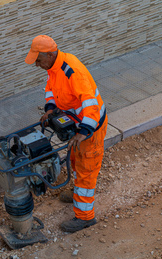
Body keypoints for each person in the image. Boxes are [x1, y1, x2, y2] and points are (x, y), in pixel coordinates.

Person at [24, 35, 108, 233]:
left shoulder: (73, 71)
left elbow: (91, 104)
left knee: (87, 170)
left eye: (38, 60)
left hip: (90, 126)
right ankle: (76, 191)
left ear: (51, 54)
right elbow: (51, 89)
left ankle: (85, 217)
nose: (37, 64)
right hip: (75, 122)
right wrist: (51, 108)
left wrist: (85, 131)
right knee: (75, 160)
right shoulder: (53, 68)